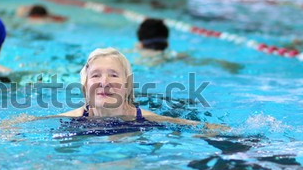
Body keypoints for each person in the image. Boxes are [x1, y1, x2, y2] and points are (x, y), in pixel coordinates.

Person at [58, 47, 224, 130]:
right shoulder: (72, 118)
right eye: (95, 76)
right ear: (85, 85)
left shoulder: (147, 119)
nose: (104, 82)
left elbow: (197, 127)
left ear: (127, 85)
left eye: (114, 75)